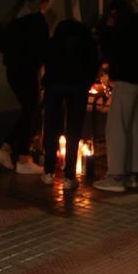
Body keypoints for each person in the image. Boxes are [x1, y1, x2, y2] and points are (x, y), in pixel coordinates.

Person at [93, 0, 138, 192]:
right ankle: (133, 173)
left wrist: (105, 26)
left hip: (126, 79)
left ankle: (116, 177)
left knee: (117, 127)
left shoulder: (125, 28)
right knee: (134, 127)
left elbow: (108, 45)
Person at [0, 0, 51, 175]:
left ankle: (7, 149)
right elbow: (43, 49)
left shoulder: (14, 18)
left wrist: (12, 52)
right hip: (27, 70)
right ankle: (21, 157)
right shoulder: (37, 20)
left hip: (13, 70)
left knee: (28, 110)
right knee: (31, 111)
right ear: (41, 3)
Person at [40, 18, 100, 191]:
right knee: (74, 130)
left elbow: (45, 60)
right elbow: (94, 65)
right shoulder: (87, 44)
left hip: (55, 86)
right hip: (78, 87)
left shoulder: (54, 43)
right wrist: (87, 82)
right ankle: (70, 177)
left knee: (52, 128)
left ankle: (48, 172)